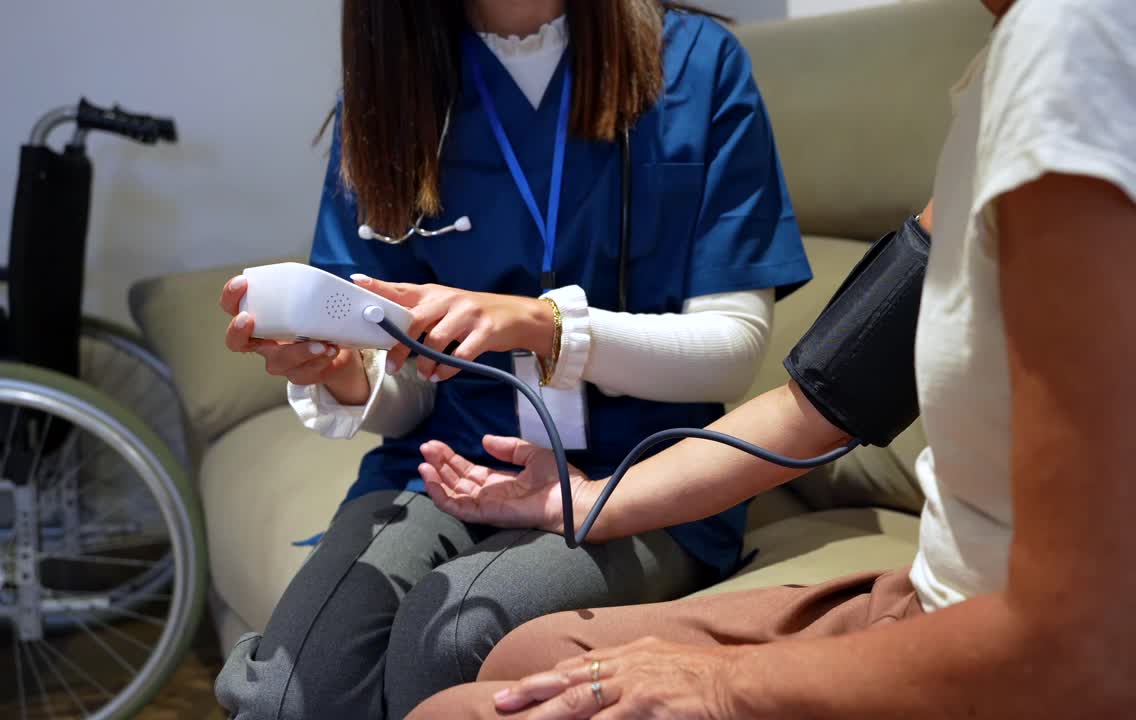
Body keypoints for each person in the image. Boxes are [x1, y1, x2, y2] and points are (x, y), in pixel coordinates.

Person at [410, 0, 1136, 717]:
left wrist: (722, 687)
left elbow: (1088, 652)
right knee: (536, 650)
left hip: (1087, 680)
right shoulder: (1017, 59)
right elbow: (828, 394)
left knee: (461, 706)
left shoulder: (1109, 46)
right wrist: (591, 501)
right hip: (948, 597)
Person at [213, 1, 812, 718]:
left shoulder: (697, 64)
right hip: (443, 469)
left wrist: (543, 326)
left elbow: (732, 353)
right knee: (288, 693)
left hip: (642, 477)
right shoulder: (392, 89)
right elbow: (404, 388)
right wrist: (345, 376)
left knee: (453, 639)